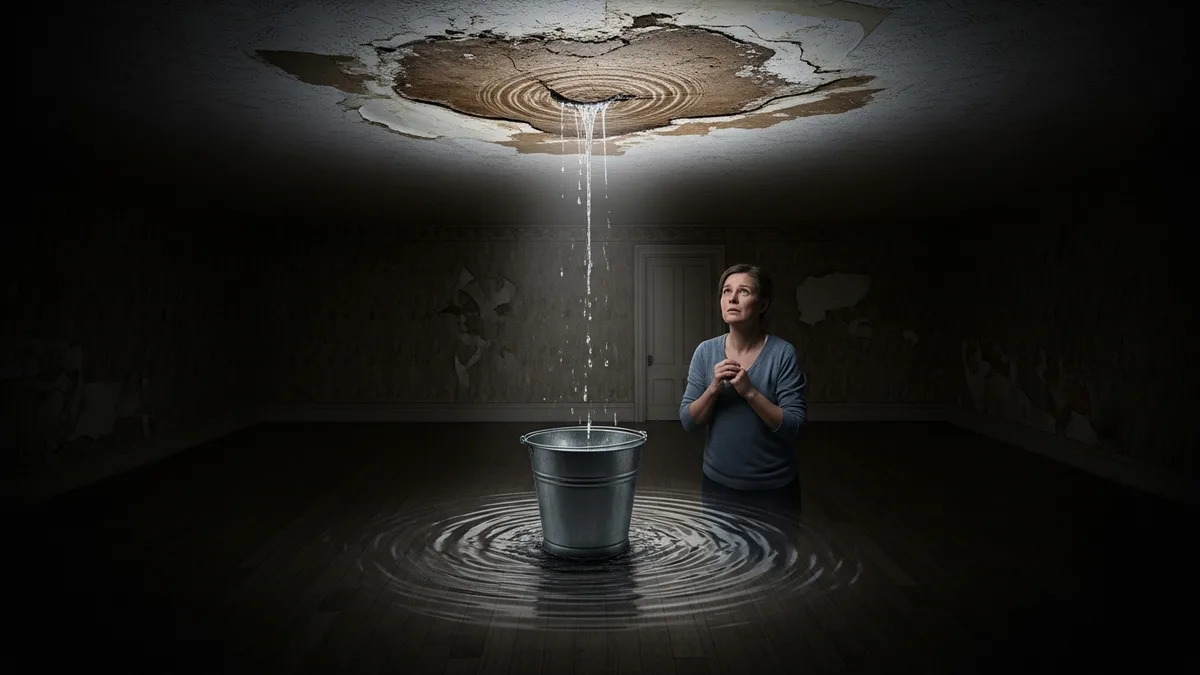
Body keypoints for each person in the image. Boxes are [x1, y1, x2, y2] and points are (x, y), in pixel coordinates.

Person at [679, 264, 808, 511]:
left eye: (744, 292)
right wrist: (713, 389)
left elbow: (795, 427)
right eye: (727, 291)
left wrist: (750, 392)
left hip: (774, 491)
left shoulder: (782, 354)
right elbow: (688, 422)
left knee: (775, 551)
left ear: (763, 305)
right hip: (717, 486)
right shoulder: (705, 352)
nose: (733, 298)